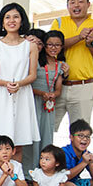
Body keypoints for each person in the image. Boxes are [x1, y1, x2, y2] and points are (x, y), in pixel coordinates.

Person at [0, 2, 39, 162]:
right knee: (0, 143)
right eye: (7, 17)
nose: (11, 20)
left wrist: (19, 84)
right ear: (2, 22)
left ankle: (15, 181)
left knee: (18, 143)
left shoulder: (30, 46)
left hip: (22, 95)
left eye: (15, 17)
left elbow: (32, 75)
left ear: (22, 21)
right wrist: (6, 83)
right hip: (1, 95)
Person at [50, 0, 93, 128]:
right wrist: (79, 37)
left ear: (88, 4)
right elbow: (51, 46)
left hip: (83, 87)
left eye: (80, 1)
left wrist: (91, 43)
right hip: (56, 85)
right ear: (67, 6)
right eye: (72, 2)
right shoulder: (59, 23)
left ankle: (78, 151)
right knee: (47, 128)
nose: (76, 5)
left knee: (80, 132)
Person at [25, 30, 67, 173]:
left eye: (57, 45)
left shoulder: (60, 65)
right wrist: (42, 93)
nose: (53, 48)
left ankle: (45, 172)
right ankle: (29, 172)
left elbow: (58, 89)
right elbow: (28, 85)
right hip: (34, 101)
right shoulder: (35, 61)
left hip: (49, 105)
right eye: (49, 44)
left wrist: (52, 95)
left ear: (62, 47)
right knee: (32, 137)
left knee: (46, 136)